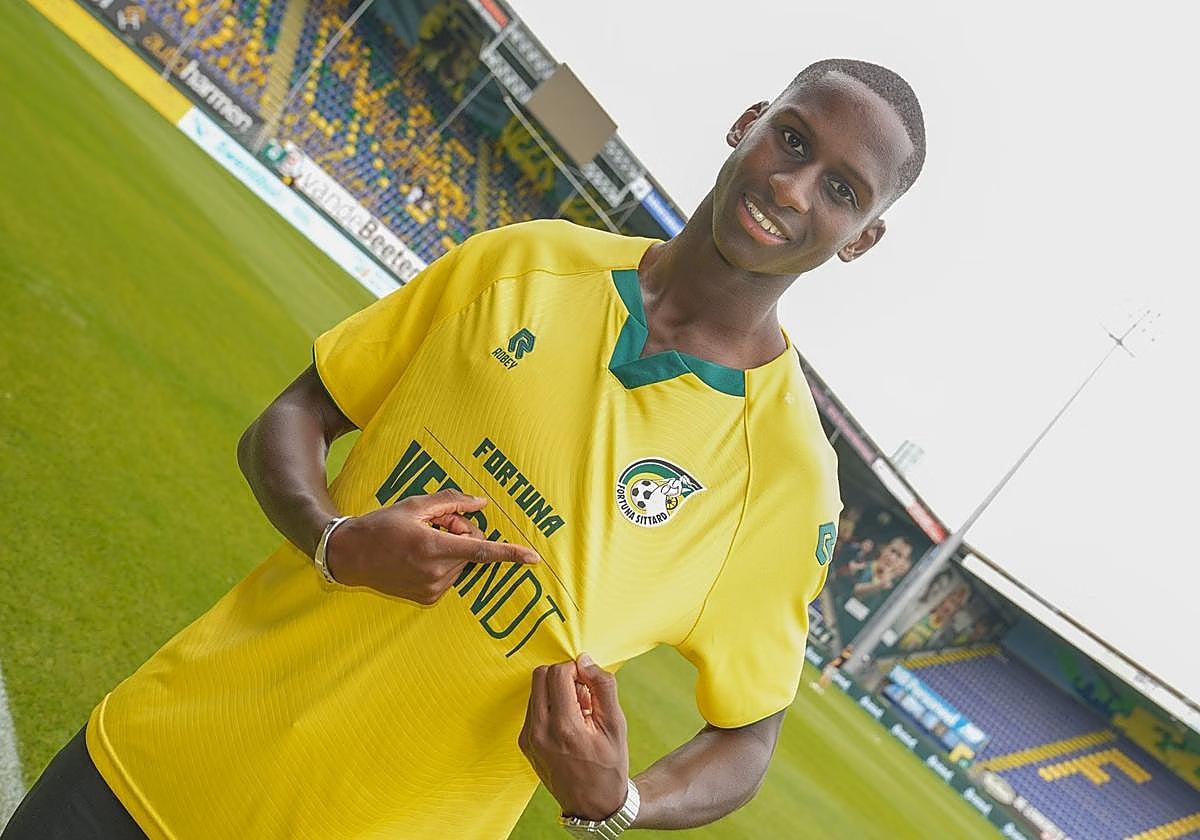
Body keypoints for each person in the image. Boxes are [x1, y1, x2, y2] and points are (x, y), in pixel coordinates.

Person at [4, 57, 925, 839]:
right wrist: (336, 538)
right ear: (749, 123)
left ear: (864, 238)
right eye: (794, 140)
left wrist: (624, 799)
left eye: (842, 190)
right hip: (159, 757)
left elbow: (748, 739)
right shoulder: (525, 263)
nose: (792, 188)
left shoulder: (790, 477)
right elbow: (291, 418)